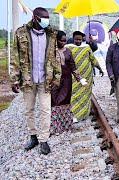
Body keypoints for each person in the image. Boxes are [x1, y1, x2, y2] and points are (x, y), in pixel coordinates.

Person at [10, 7, 60, 155]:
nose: (46, 21)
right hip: (28, 80)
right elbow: (15, 57)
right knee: (29, 110)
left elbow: (55, 57)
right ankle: (33, 137)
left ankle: (44, 139)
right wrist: (14, 79)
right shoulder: (21, 33)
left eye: (47, 18)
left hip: (45, 79)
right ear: (35, 18)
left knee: (45, 109)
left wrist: (56, 77)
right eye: (43, 18)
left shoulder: (51, 34)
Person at [51, 31, 87, 134]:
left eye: (64, 40)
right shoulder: (51, 52)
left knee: (65, 101)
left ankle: (65, 126)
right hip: (54, 81)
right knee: (54, 102)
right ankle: (55, 126)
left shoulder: (68, 52)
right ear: (56, 40)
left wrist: (80, 79)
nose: (63, 42)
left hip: (67, 81)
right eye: (61, 40)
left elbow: (73, 67)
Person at [66, 31, 104, 122]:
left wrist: (100, 68)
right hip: (75, 77)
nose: (78, 41)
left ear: (82, 39)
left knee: (85, 95)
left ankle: (83, 114)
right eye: (76, 39)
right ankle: (75, 114)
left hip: (87, 76)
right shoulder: (69, 48)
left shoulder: (87, 47)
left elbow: (93, 60)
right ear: (73, 39)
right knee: (74, 95)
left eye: (79, 39)